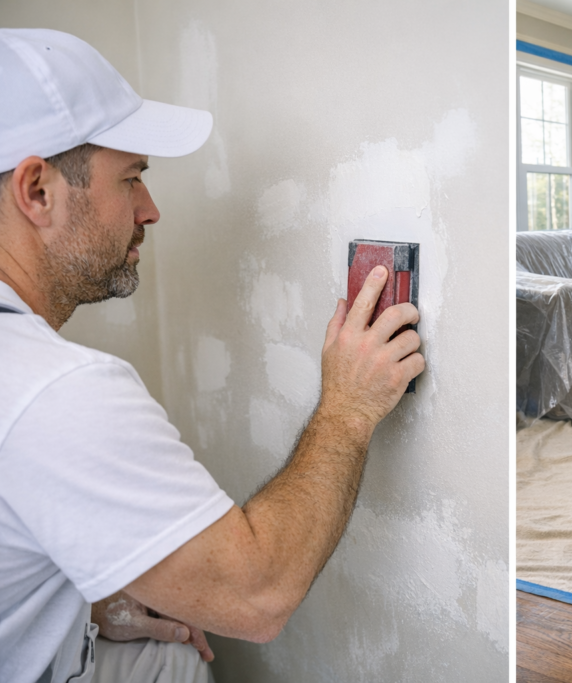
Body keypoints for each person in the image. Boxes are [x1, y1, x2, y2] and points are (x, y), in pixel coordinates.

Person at [0, 28, 425, 683]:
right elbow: (258, 595)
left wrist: (87, 600)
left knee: (164, 653)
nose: (151, 209)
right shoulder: (55, 391)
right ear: (38, 191)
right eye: (132, 179)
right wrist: (346, 407)